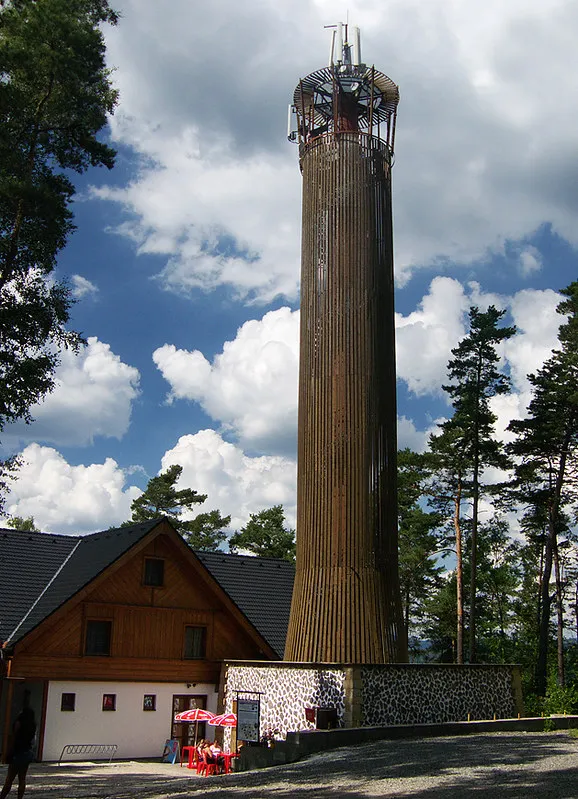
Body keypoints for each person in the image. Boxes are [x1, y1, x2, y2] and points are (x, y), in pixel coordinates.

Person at [1, 694, 36, 799]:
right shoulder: (32, 725)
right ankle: (19, 797)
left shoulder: (18, 723)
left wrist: (8, 752)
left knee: (9, 778)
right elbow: (33, 740)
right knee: (22, 778)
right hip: (27, 752)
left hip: (18, 752)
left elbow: (14, 738)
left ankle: (2, 796)